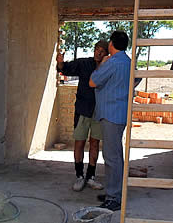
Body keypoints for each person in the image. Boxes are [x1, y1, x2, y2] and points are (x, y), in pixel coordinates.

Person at [56, 40, 109, 192]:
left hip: (99, 112)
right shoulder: (84, 63)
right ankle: (79, 176)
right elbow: (64, 69)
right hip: (82, 110)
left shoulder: (109, 68)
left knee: (94, 143)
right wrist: (60, 63)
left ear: (107, 54)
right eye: (97, 49)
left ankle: (91, 177)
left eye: (102, 51)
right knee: (79, 142)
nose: (98, 53)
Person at [89, 31, 131, 211]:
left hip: (110, 114)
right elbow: (136, 79)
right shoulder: (129, 62)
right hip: (120, 114)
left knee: (111, 157)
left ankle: (114, 198)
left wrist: (103, 64)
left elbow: (92, 82)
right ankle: (114, 192)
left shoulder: (112, 62)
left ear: (111, 44)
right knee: (116, 156)